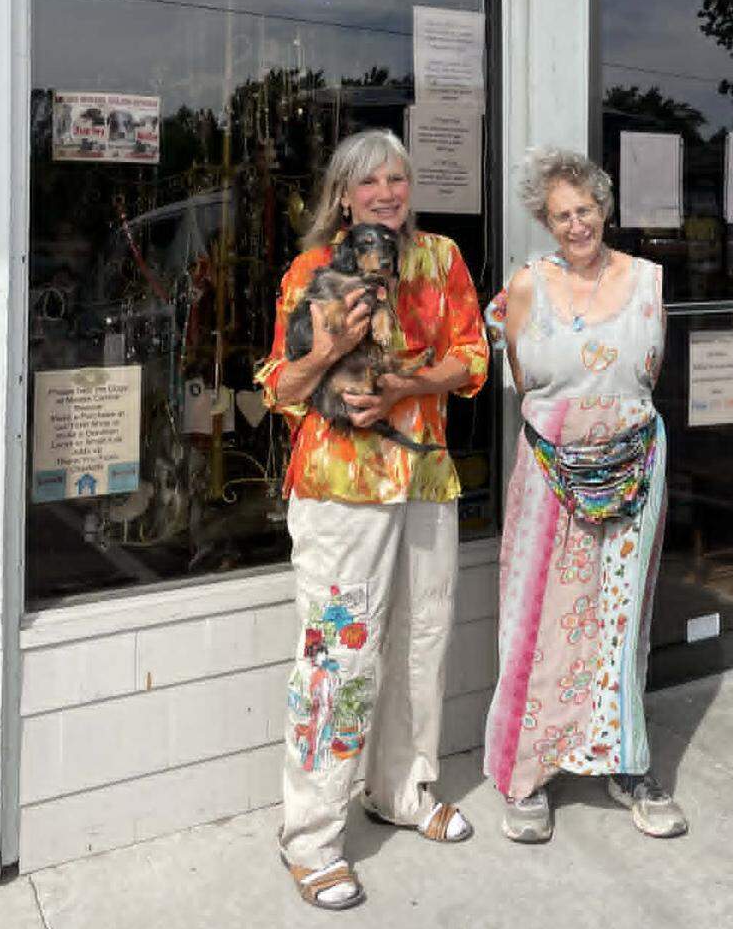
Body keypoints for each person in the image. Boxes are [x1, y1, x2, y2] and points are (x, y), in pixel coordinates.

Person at [256, 128, 489, 910]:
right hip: (339, 484)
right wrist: (329, 350)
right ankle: (311, 835)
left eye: (397, 178)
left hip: (423, 473)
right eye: (369, 182)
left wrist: (402, 387)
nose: (386, 192)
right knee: (338, 655)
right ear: (344, 196)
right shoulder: (311, 272)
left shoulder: (441, 259)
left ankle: (401, 790)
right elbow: (279, 386)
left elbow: (473, 357)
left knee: (423, 638)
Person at [483, 146, 687, 843]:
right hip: (549, 470)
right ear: (546, 222)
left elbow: (646, 375)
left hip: (636, 466)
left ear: (605, 207)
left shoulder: (649, 280)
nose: (577, 224)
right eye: (561, 215)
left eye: (586, 209)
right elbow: (523, 379)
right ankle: (529, 774)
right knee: (538, 615)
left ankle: (625, 763)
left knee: (622, 618)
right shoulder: (526, 286)